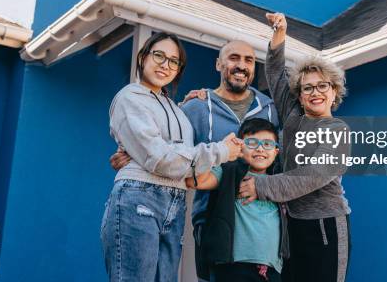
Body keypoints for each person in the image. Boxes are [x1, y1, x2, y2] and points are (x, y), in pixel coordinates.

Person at [110, 40, 280, 281]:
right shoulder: (196, 107)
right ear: (218, 64)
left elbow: (283, 160)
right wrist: (133, 152)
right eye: (233, 58)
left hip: (261, 230)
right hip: (209, 219)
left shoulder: (271, 109)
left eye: (249, 60)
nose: (241, 65)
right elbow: (166, 143)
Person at [238, 13, 352, 282]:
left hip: (326, 226)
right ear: (299, 95)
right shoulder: (293, 117)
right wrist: (279, 34)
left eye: (322, 86)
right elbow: (276, 73)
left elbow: (312, 175)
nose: (315, 93)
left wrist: (261, 186)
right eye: (307, 88)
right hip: (291, 226)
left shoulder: (337, 130)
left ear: (334, 91)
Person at [186, 118, 287, 282]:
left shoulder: (279, 182)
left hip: (271, 270)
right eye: (252, 142)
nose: (260, 149)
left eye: (268, 144)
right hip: (233, 266)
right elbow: (195, 181)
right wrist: (222, 151)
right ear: (240, 147)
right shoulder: (229, 172)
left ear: (276, 152)